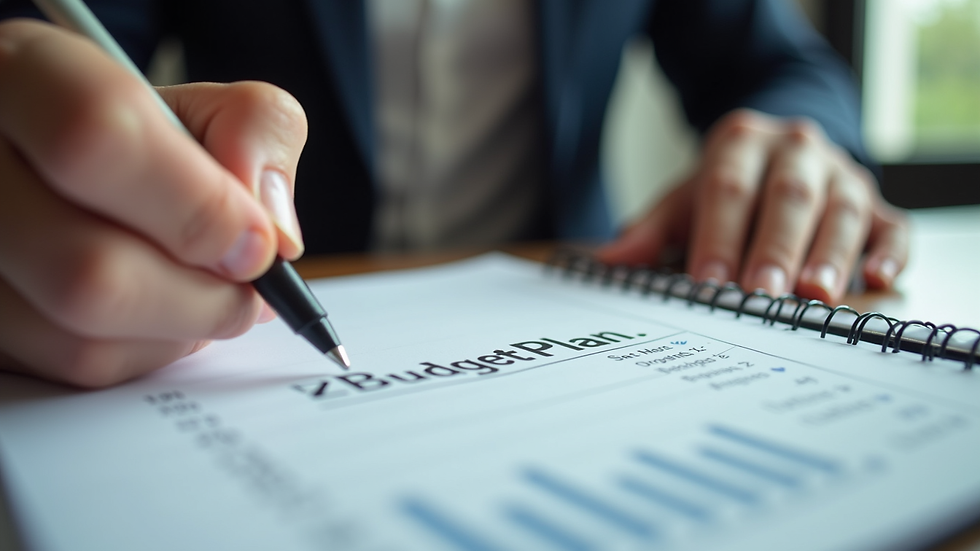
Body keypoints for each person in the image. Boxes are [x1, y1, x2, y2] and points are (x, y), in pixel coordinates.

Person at [0, 0, 908, 387]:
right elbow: (54, 42)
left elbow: (782, 63)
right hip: (228, 299)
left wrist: (805, 139)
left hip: (575, 314)